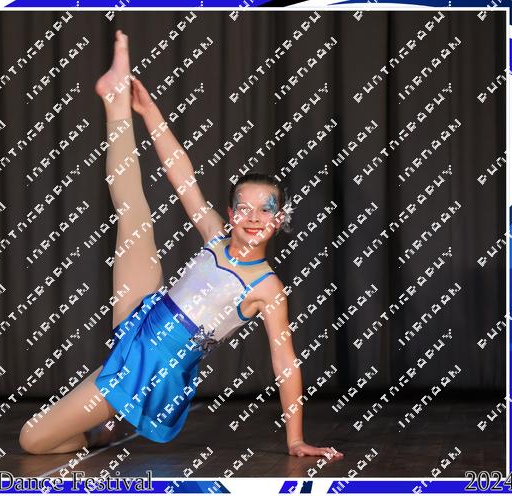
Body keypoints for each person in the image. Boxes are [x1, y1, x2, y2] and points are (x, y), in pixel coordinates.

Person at [18, 29, 343, 460]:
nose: (253, 218)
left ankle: (99, 431)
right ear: (230, 214)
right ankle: (115, 100)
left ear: (280, 220)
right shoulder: (216, 235)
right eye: (243, 208)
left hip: (155, 365)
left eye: (265, 210)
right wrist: (148, 110)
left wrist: (295, 440)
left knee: (33, 440)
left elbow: (285, 364)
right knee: (133, 213)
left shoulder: (268, 289)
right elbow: (180, 171)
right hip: (144, 309)